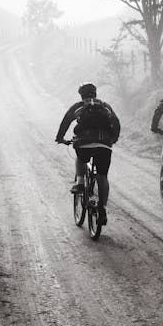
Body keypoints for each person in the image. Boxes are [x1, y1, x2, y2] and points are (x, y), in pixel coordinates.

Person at [55, 82, 121, 223]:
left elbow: (66, 121)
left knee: (81, 158)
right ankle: (102, 208)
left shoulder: (79, 106)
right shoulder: (105, 106)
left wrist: (60, 138)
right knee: (102, 176)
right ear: (95, 93)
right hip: (104, 144)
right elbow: (116, 123)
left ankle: (80, 182)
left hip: (84, 142)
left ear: (81, 95)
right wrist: (113, 139)